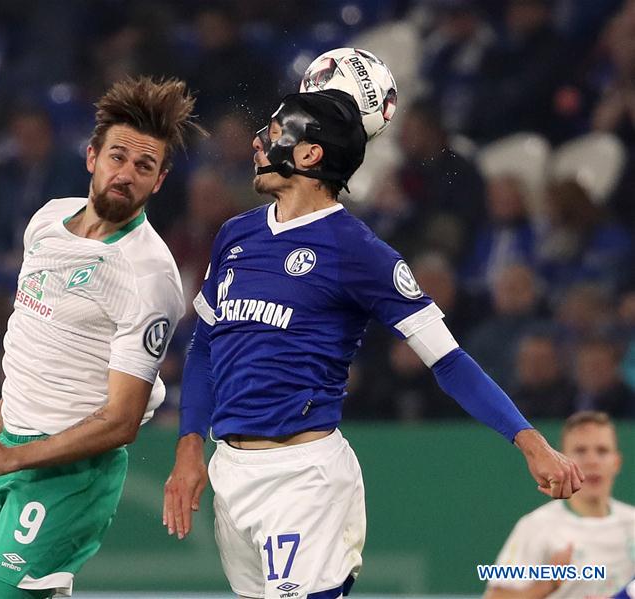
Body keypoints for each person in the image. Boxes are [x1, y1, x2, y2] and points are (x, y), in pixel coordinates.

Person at [163, 89, 583, 599]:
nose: (257, 144)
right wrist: (190, 449)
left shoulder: (359, 251)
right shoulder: (235, 236)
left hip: (304, 480)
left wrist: (530, 442)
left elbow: (448, 360)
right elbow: (205, 348)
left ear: (310, 153)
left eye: (273, 134)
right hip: (230, 473)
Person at [0, 76, 203, 599]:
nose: (126, 174)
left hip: (68, 475)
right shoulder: (44, 222)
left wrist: (16, 457)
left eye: (144, 167)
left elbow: (121, 420)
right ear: (92, 156)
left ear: (159, 182)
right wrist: (0, 420)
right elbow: (40, 341)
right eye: (118, 157)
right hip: (10, 451)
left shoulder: (149, 274)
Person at [484, 411, 635, 599]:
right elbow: (494, 597)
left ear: (617, 462)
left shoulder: (632, 523)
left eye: (602, 451)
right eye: (580, 451)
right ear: (561, 460)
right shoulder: (536, 527)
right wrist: (549, 584)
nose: (592, 461)